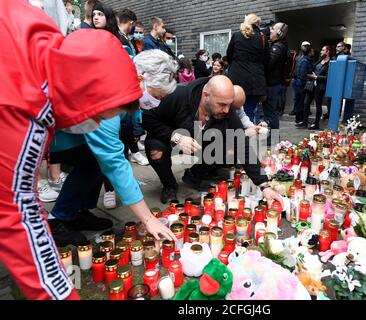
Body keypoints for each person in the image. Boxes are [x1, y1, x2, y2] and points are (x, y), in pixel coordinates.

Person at [1, 0, 144, 300]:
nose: (97, 125)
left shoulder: (45, 41)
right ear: (87, 95)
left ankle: (73, 213)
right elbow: (17, 212)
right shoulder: (26, 107)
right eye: (103, 117)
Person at [48, 50, 178, 247]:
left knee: (93, 164)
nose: (155, 103)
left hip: (76, 127)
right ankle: (57, 220)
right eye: (155, 96)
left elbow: (132, 112)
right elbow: (114, 162)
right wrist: (148, 219)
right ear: (140, 79)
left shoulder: (126, 76)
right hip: (57, 135)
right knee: (96, 162)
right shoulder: (108, 96)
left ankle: (76, 211)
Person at [142, 75, 283, 206]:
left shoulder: (227, 111)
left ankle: (195, 175)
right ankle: (169, 186)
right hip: (171, 139)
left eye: (229, 105)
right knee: (155, 150)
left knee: (229, 148)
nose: (227, 110)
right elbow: (147, 118)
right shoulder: (177, 95)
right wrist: (176, 137)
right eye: (222, 105)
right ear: (205, 96)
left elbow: (242, 145)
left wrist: (264, 186)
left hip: (200, 144)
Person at [226, 14, 268, 124]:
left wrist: (236, 66)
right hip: (255, 81)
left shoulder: (236, 35)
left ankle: (235, 137)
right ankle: (247, 137)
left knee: (233, 110)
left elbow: (229, 55)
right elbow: (266, 59)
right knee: (249, 111)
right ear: (257, 24)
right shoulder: (262, 38)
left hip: (237, 78)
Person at [262, 22, 289, 130]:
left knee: (270, 114)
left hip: (272, 85)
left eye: (273, 29)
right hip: (273, 84)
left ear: (279, 33)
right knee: (270, 113)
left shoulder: (278, 47)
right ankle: (271, 139)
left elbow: (268, 65)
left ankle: (272, 141)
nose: (270, 31)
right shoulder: (279, 45)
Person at [302, 45, 331, 130]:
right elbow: (312, 69)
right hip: (311, 85)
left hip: (320, 86)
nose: (321, 52)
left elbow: (328, 77)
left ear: (327, 52)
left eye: (323, 50)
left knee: (318, 105)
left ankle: (316, 124)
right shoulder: (319, 60)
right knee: (306, 103)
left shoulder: (330, 63)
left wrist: (316, 77)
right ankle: (304, 122)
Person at [292, 41, 314, 125]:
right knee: (300, 102)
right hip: (301, 84)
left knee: (298, 101)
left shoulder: (298, 58)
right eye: (305, 46)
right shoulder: (305, 60)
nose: (306, 48)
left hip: (297, 83)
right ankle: (299, 120)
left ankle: (300, 119)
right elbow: (303, 74)